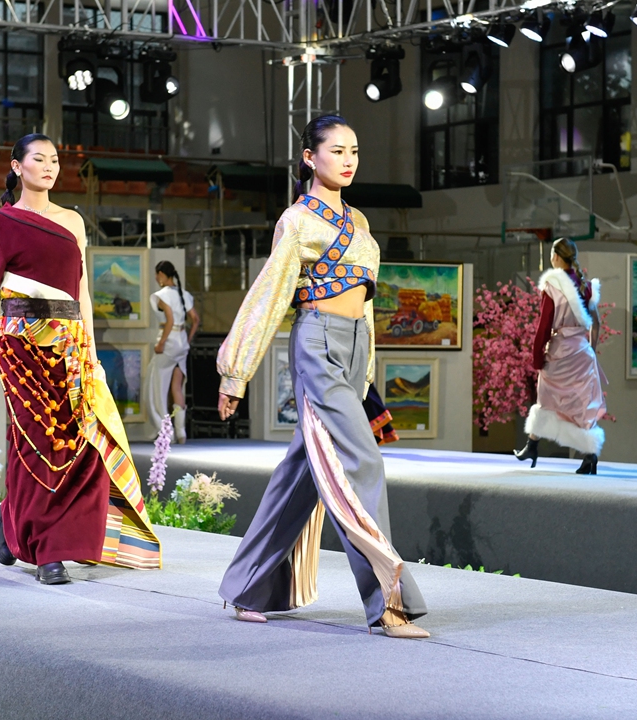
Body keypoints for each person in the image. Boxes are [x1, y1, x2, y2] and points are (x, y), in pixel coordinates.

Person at [215, 115, 429, 638]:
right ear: (310, 158)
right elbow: (268, 295)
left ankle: (246, 586)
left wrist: (369, 373)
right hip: (317, 344)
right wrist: (234, 373)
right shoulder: (298, 221)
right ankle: (389, 600)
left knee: (302, 476)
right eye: (337, 151)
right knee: (362, 462)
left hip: (354, 351)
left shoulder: (359, 222)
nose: (349, 160)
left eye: (354, 150)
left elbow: (367, 309)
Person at [0, 133, 161, 585]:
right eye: (39, 159)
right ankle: (46, 551)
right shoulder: (0, 225)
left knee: (81, 442)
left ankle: (14, 519)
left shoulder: (73, 222)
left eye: (55, 160)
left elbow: (81, 291)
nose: (49, 167)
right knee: (37, 443)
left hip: (70, 345)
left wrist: (92, 353)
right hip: (19, 346)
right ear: (17, 166)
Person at [514, 238, 607, 475]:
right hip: (581, 352)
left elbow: (544, 325)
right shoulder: (585, 286)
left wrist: (537, 357)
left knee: (546, 397)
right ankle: (590, 456)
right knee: (582, 403)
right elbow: (595, 322)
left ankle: (532, 446)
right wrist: (591, 351)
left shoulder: (553, 284)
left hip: (559, 352)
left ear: (555, 256)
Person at [146, 260, 199, 442]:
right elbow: (195, 319)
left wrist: (161, 343)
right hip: (182, 342)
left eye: (156, 274)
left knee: (157, 387)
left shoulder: (162, 295)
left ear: (161, 274)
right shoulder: (184, 294)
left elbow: (169, 320)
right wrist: (188, 339)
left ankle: (164, 430)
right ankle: (181, 431)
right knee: (177, 386)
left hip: (168, 343)